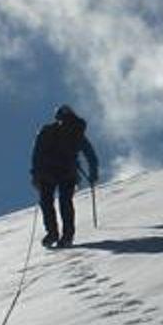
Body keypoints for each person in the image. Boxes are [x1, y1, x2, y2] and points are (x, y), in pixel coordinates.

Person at [30, 104, 99, 248]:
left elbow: (37, 153)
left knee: (46, 202)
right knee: (65, 202)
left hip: (47, 172)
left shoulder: (47, 131)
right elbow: (90, 155)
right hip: (68, 171)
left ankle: (52, 233)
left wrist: (35, 174)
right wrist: (93, 174)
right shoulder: (76, 132)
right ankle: (67, 236)